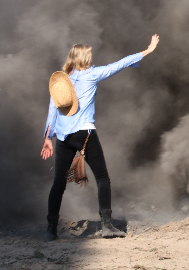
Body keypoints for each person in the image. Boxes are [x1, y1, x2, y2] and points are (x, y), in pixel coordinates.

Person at [40, 34, 159, 241]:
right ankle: (106, 225)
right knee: (103, 178)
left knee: (58, 183)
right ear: (84, 59)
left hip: (63, 136)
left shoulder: (61, 80)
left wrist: (48, 138)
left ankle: (51, 230)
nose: (92, 59)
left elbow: (53, 109)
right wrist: (147, 50)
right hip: (85, 133)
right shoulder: (92, 75)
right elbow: (120, 64)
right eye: (89, 56)